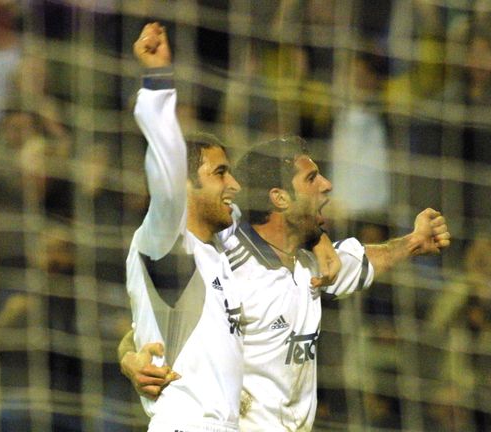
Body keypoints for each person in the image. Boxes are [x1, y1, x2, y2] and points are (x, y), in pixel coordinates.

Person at [120, 137, 451, 429]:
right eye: (311, 178)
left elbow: (362, 260)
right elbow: (154, 325)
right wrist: (130, 361)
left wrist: (413, 242)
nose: (327, 184)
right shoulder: (226, 259)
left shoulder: (316, 265)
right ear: (279, 198)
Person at [123, 24, 340, 432]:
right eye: (221, 173)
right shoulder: (169, 242)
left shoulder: (220, 248)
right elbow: (167, 166)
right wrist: (157, 81)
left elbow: (288, 219)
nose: (234, 185)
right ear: (186, 185)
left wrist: (322, 237)